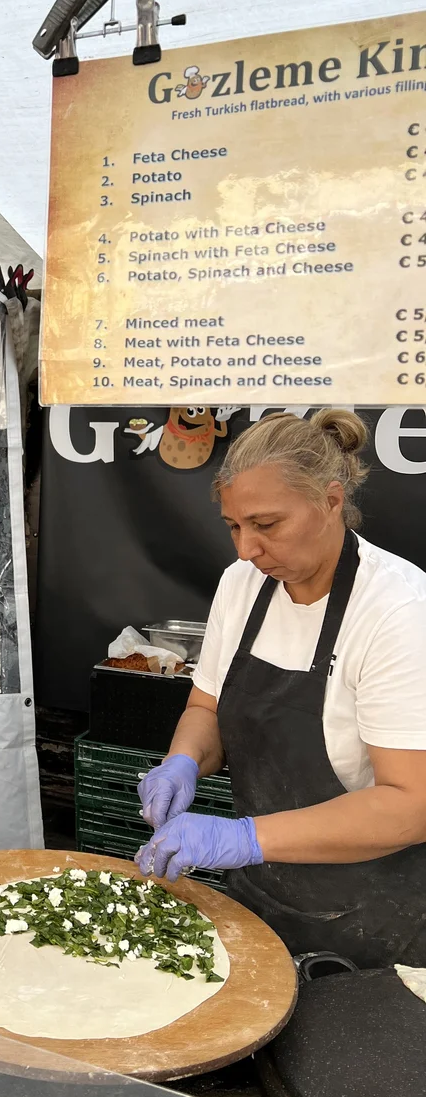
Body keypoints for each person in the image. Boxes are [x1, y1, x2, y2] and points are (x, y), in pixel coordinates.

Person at [136, 410, 426, 968]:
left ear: (332, 501)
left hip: (376, 921)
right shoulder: (242, 584)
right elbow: (207, 704)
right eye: (234, 526)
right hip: (264, 902)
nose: (246, 549)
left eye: (267, 525)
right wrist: (183, 762)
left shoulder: (396, 609)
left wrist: (242, 838)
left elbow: (411, 806)